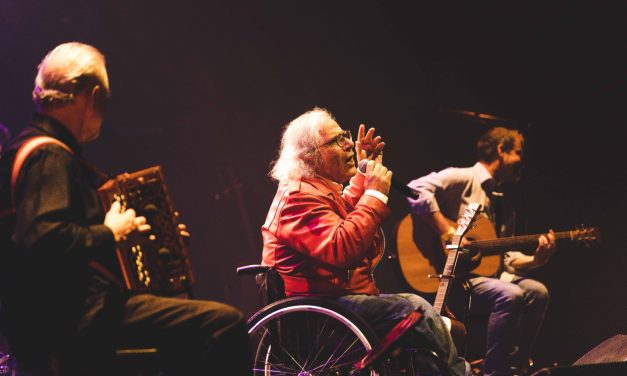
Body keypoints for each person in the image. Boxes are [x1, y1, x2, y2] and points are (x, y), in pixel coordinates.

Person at [0, 42, 251, 375]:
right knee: (224, 325)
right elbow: (42, 240)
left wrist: (156, 243)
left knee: (189, 323)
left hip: (52, 315)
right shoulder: (49, 156)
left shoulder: (34, 151)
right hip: (71, 318)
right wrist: (112, 232)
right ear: (91, 95)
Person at [261, 107, 469, 376]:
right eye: (337, 141)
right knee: (416, 309)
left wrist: (366, 173)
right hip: (318, 312)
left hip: (335, 300)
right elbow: (341, 248)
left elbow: (342, 216)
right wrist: (375, 194)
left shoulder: (316, 190)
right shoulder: (297, 198)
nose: (350, 144)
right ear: (311, 156)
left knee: (437, 328)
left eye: (344, 136)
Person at [406, 127, 556, 376]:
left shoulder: (505, 207)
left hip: (484, 278)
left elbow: (504, 261)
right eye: (518, 152)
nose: (523, 161)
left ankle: (514, 366)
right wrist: (445, 229)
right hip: (451, 277)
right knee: (510, 295)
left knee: (538, 292)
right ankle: (494, 373)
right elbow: (416, 188)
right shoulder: (462, 178)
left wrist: (535, 260)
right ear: (501, 150)